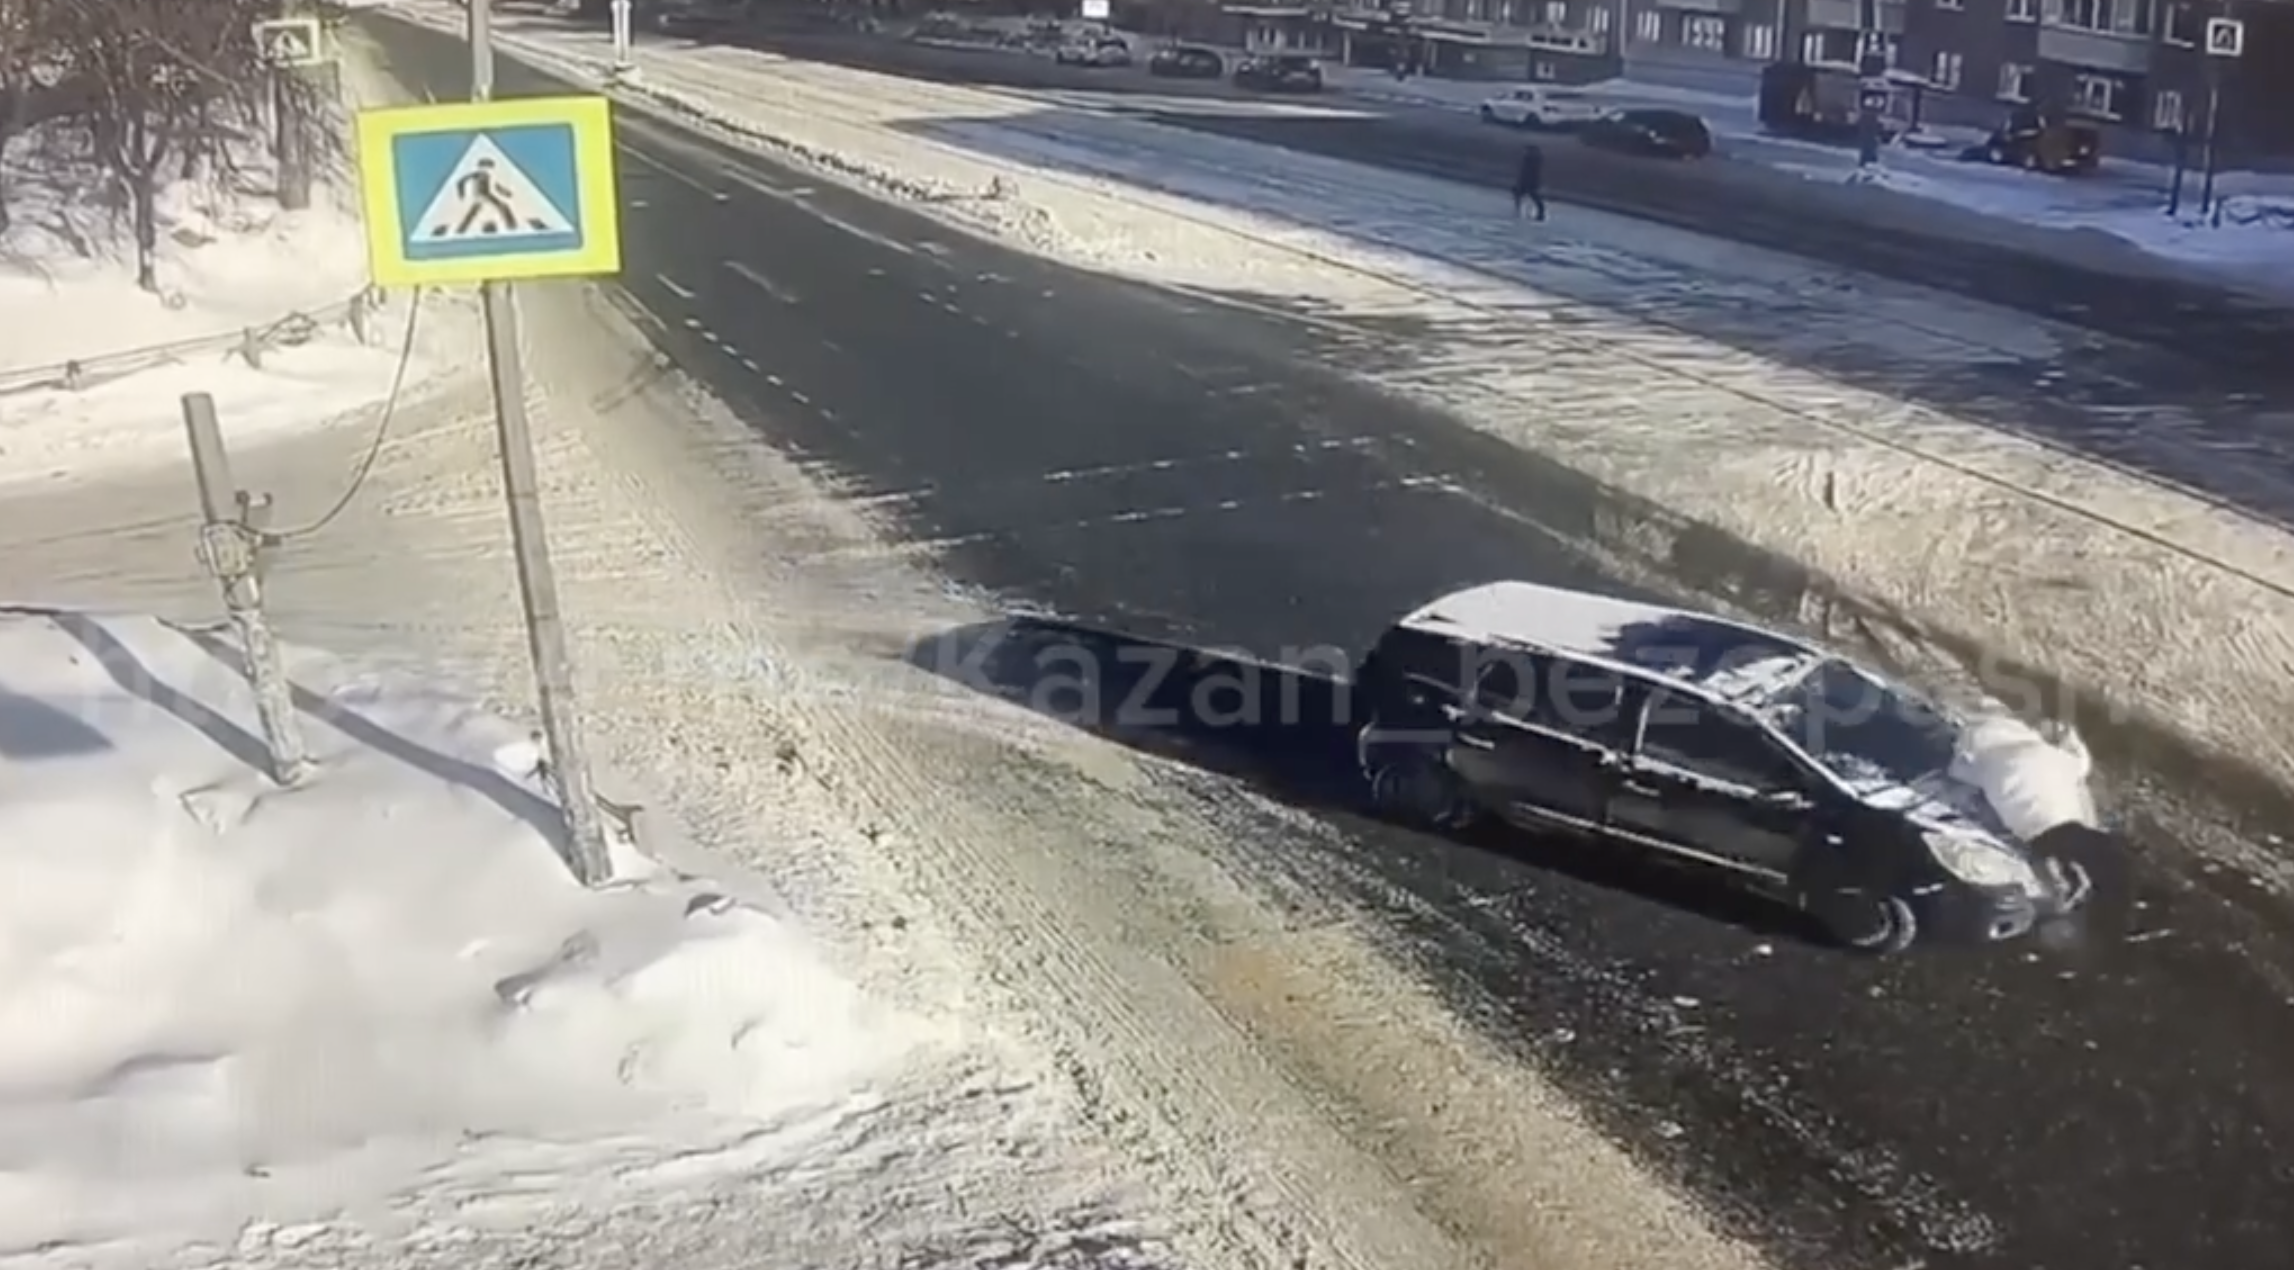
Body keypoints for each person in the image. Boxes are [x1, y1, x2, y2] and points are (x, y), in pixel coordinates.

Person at [1512, 142, 1546, 222]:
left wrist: (1520, 180)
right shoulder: (1536, 158)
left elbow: (1525, 171)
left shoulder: (1529, 158)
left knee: (1528, 195)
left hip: (1528, 181)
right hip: (1531, 181)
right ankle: (1539, 213)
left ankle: (1518, 211)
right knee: (1531, 196)